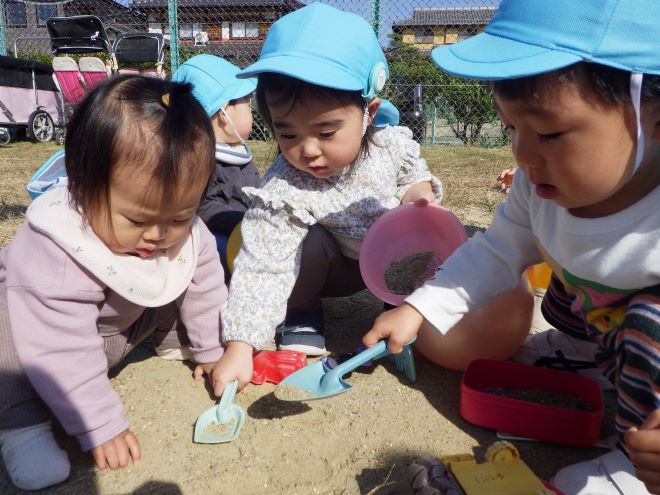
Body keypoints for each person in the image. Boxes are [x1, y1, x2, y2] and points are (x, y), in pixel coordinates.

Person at [363, 0, 660, 493]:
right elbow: (495, 252)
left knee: (652, 322)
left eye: (549, 133)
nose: (522, 154)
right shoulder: (537, 188)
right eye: (511, 128)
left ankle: (630, 465)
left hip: (643, 336)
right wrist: (419, 308)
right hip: (603, 319)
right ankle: (585, 352)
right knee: (559, 272)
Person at [213, 3, 532, 392]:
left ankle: (399, 309)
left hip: (389, 264)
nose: (307, 150)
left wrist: (419, 195)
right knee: (302, 242)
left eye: (326, 132)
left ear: (368, 113)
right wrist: (240, 345)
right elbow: (263, 262)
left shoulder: (389, 146)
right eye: (289, 134)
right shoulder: (285, 184)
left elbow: (413, 176)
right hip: (335, 270)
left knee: (417, 237)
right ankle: (302, 313)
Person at [0, 75, 228, 491]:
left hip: (110, 334)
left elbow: (206, 284)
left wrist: (212, 351)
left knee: (172, 271)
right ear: (83, 186)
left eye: (179, 216)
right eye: (137, 219)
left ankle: (170, 339)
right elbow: (61, 345)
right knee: (5, 334)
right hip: (36, 341)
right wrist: (100, 424)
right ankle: (21, 428)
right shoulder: (60, 245)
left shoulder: (174, 231)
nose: (159, 234)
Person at [172, 54, 259, 283]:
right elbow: (200, 207)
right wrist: (242, 222)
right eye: (248, 105)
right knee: (216, 247)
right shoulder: (199, 160)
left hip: (252, 231)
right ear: (223, 113)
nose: (252, 113)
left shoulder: (237, 152)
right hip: (224, 239)